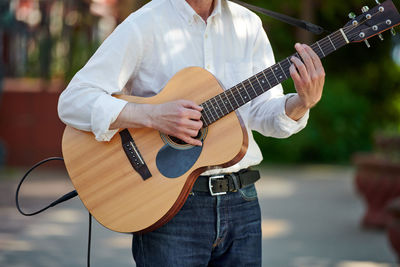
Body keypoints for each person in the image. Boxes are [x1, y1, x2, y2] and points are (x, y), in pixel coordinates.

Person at [58, 0, 325, 266]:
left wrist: (301, 103)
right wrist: (152, 116)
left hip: (242, 202)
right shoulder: (145, 23)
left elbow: (261, 113)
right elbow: (73, 101)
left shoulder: (248, 24)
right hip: (170, 207)